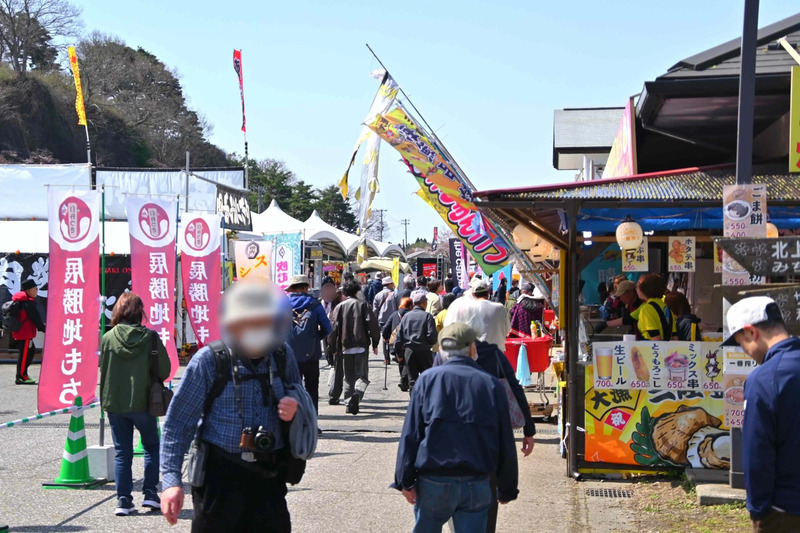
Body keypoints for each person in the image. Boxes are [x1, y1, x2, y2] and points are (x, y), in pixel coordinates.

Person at [161, 281, 306, 532]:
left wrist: (295, 409)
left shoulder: (282, 356)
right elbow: (178, 424)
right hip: (219, 478)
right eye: (248, 321)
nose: (255, 329)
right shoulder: (209, 361)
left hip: (269, 477)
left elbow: (302, 401)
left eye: (262, 321)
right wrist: (171, 481)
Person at [393, 323, 519, 533]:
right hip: (476, 481)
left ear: (441, 350)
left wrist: (404, 480)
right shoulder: (491, 384)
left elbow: (412, 433)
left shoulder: (427, 380)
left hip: (434, 480)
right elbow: (504, 438)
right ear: (472, 349)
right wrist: (507, 487)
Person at [437, 297, 536, 532]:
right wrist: (529, 429)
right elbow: (515, 389)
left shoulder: (442, 356)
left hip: (449, 447)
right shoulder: (493, 353)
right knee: (485, 514)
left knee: (455, 512)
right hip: (486, 446)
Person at [721, 297, 800, 532]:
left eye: (740, 344)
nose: (745, 352)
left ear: (750, 333)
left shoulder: (765, 378)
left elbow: (757, 451)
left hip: (786, 509)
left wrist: (758, 509)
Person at [100, 292, 171, 516]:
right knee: (151, 446)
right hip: (143, 401)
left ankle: (123, 500)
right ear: (140, 312)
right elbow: (165, 370)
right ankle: (150, 494)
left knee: (123, 452)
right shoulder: (150, 337)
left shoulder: (108, 337)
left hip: (115, 402)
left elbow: (104, 368)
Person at [328, 280, 381, 415]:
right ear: (358, 291)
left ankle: (348, 402)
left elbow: (333, 329)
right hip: (361, 345)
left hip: (345, 346)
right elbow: (373, 326)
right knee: (362, 376)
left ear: (344, 292)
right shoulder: (363, 305)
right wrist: (375, 343)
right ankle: (357, 394)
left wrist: (332, 346)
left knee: (348, 376)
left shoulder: (339, 307)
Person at [286, 275, 332, 415]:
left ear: (291, 288)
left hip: (288, 355)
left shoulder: (281, 304)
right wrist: (316, 338)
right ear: (306, 287)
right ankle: (312, 422)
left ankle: (293, 422)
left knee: (291, 389)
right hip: (311, 355)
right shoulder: (315, 305)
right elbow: (328, 328)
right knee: (312, 388)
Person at [394, 290, 438, 393]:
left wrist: (399, 354)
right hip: (424, 351)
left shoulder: (406, 317)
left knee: (412, 380)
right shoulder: (427, 316)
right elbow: (432, 335)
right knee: (426, 378)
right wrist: (429, 343)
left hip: (409, 351)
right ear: (423, 303)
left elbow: (399, 337)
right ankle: (425, 402)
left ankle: (414, 403)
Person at [10, 279, 45, 384]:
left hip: (22, 332)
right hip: (25, 333)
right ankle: (21, 376)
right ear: (29, 290)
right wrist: (43, 328)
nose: (37, 291)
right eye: (35, 288)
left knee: (30, 351)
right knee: (25, 354)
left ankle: (23, 373)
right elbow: (35, 318)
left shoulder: (21, 300)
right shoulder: (27, 302)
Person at [628, 274, 675, 341]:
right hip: (667, 349)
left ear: (644, 288)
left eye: (637, 286)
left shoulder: (647, 309)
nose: (636, 289)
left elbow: (656, 338)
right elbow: (675, 337)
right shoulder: (666, 307)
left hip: (651, 349)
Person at [383, 297, 414, 392]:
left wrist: (386, 337)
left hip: (397, 342)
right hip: (409, 342)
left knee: (401, 361)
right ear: (410, 305)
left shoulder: (394, 314)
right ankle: (405, 380)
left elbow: (386, 328)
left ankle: (403, 380)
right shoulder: (411, 315)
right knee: (408, 362)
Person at [472, 279, 510, 349]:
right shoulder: (501, 307)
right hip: (498, 352)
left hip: (479, 353)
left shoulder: (470, 310)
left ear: (473, 294)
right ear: (488, 292)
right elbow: (507, 329)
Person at [373, 276, 398, 365]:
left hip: (382, 320)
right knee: (395, 337)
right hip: (394, 320)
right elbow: (398, 307)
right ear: (390, 284)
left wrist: (374, 321)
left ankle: (386, 358)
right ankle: (395, 355)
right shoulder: (394, 294)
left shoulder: (377, 295)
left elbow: (375, 310)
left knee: (385, 338)